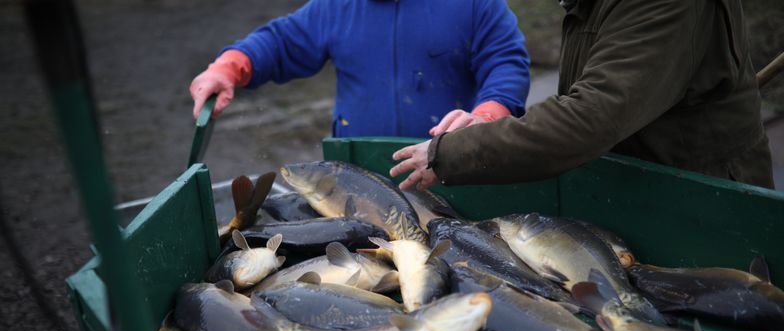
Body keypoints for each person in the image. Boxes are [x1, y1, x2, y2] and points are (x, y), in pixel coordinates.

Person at [391, 0, 774, 191]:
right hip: (640, 188)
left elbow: (589, 118)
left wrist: (456, 151)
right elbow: (582, 98)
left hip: (705, 203)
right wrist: (489, 126)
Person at [189, 0, 531, 138]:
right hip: (358, 173)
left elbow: (506, 63)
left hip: (449, 165)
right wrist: (228, 68)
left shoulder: (474, 3)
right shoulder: (336, 5)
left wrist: (485, 117)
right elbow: (281, 41)